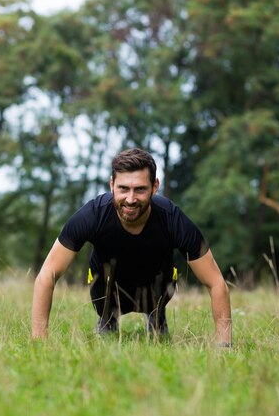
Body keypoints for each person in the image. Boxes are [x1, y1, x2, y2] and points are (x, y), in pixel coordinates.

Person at [31, 148, 232, 347]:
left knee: (164, 282)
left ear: (155, 187)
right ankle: (108, 320)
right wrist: (39, 341)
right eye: (123, 188)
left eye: (140, 189)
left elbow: (216, 282)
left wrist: (224, 346)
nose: (130, 199)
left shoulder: (172, 219)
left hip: (156, 287)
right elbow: (47, 273)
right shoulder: (93, 215)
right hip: (107, 288)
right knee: (102, 286)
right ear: (112, 185)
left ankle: (156, 317)